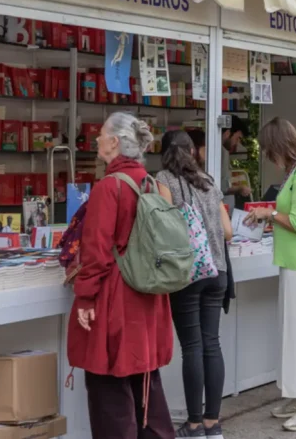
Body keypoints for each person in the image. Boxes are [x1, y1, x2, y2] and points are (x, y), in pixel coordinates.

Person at [67, 112, 175, 439]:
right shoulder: (151, 183)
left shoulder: (108, 187)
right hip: (149, 293)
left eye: (101, 134)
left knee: (109, 387)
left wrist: (85, 297)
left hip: (115, 296)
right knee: (145, 381)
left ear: (114, 142)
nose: (97, 139)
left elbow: (96, 251)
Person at [245, 118, 296, 431]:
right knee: (294, 333)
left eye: (269, 150)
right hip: (295, 260)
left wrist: (269, 213)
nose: (269, 157)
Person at [155, 131, 232, 437]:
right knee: (212, 343)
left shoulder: (164, 179)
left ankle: (195, 424)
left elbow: (164, 226)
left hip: (188, 273)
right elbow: (228, 232)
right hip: (217, 272)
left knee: (192, 347)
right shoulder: (208, 181)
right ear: (192, 152)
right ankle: (213, 424)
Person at [220, 115, 251, 199]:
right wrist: (239, 189)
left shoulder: (220, 151)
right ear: (228, 133)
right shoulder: (222, 151)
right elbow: (221, 187)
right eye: (237, 138)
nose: (237, 143)